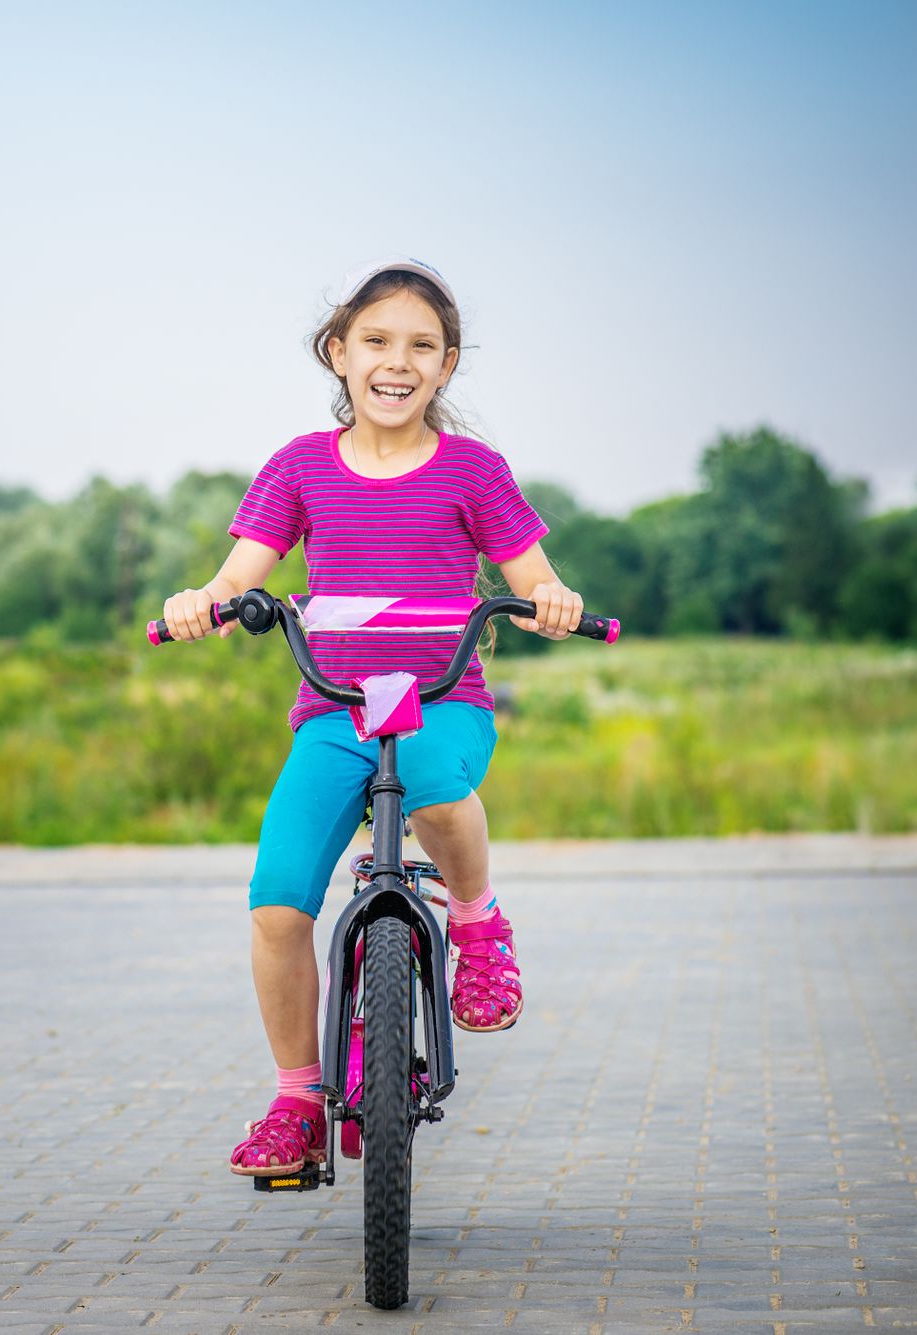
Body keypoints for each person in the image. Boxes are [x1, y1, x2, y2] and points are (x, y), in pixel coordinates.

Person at [156, 258, 584, 1177]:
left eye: (422, 346)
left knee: (432, 783)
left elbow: (534, 579)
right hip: (334, 713)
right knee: (277, 906)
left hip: (441, 702)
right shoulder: (299, 466)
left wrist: (553, 602)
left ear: (447, 365)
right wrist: (204, 602)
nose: (398, 361)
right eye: (377, 341)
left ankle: (476, 921)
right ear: (339, 353)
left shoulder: (473, 471)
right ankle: (297, 1103)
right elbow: (237, 576)